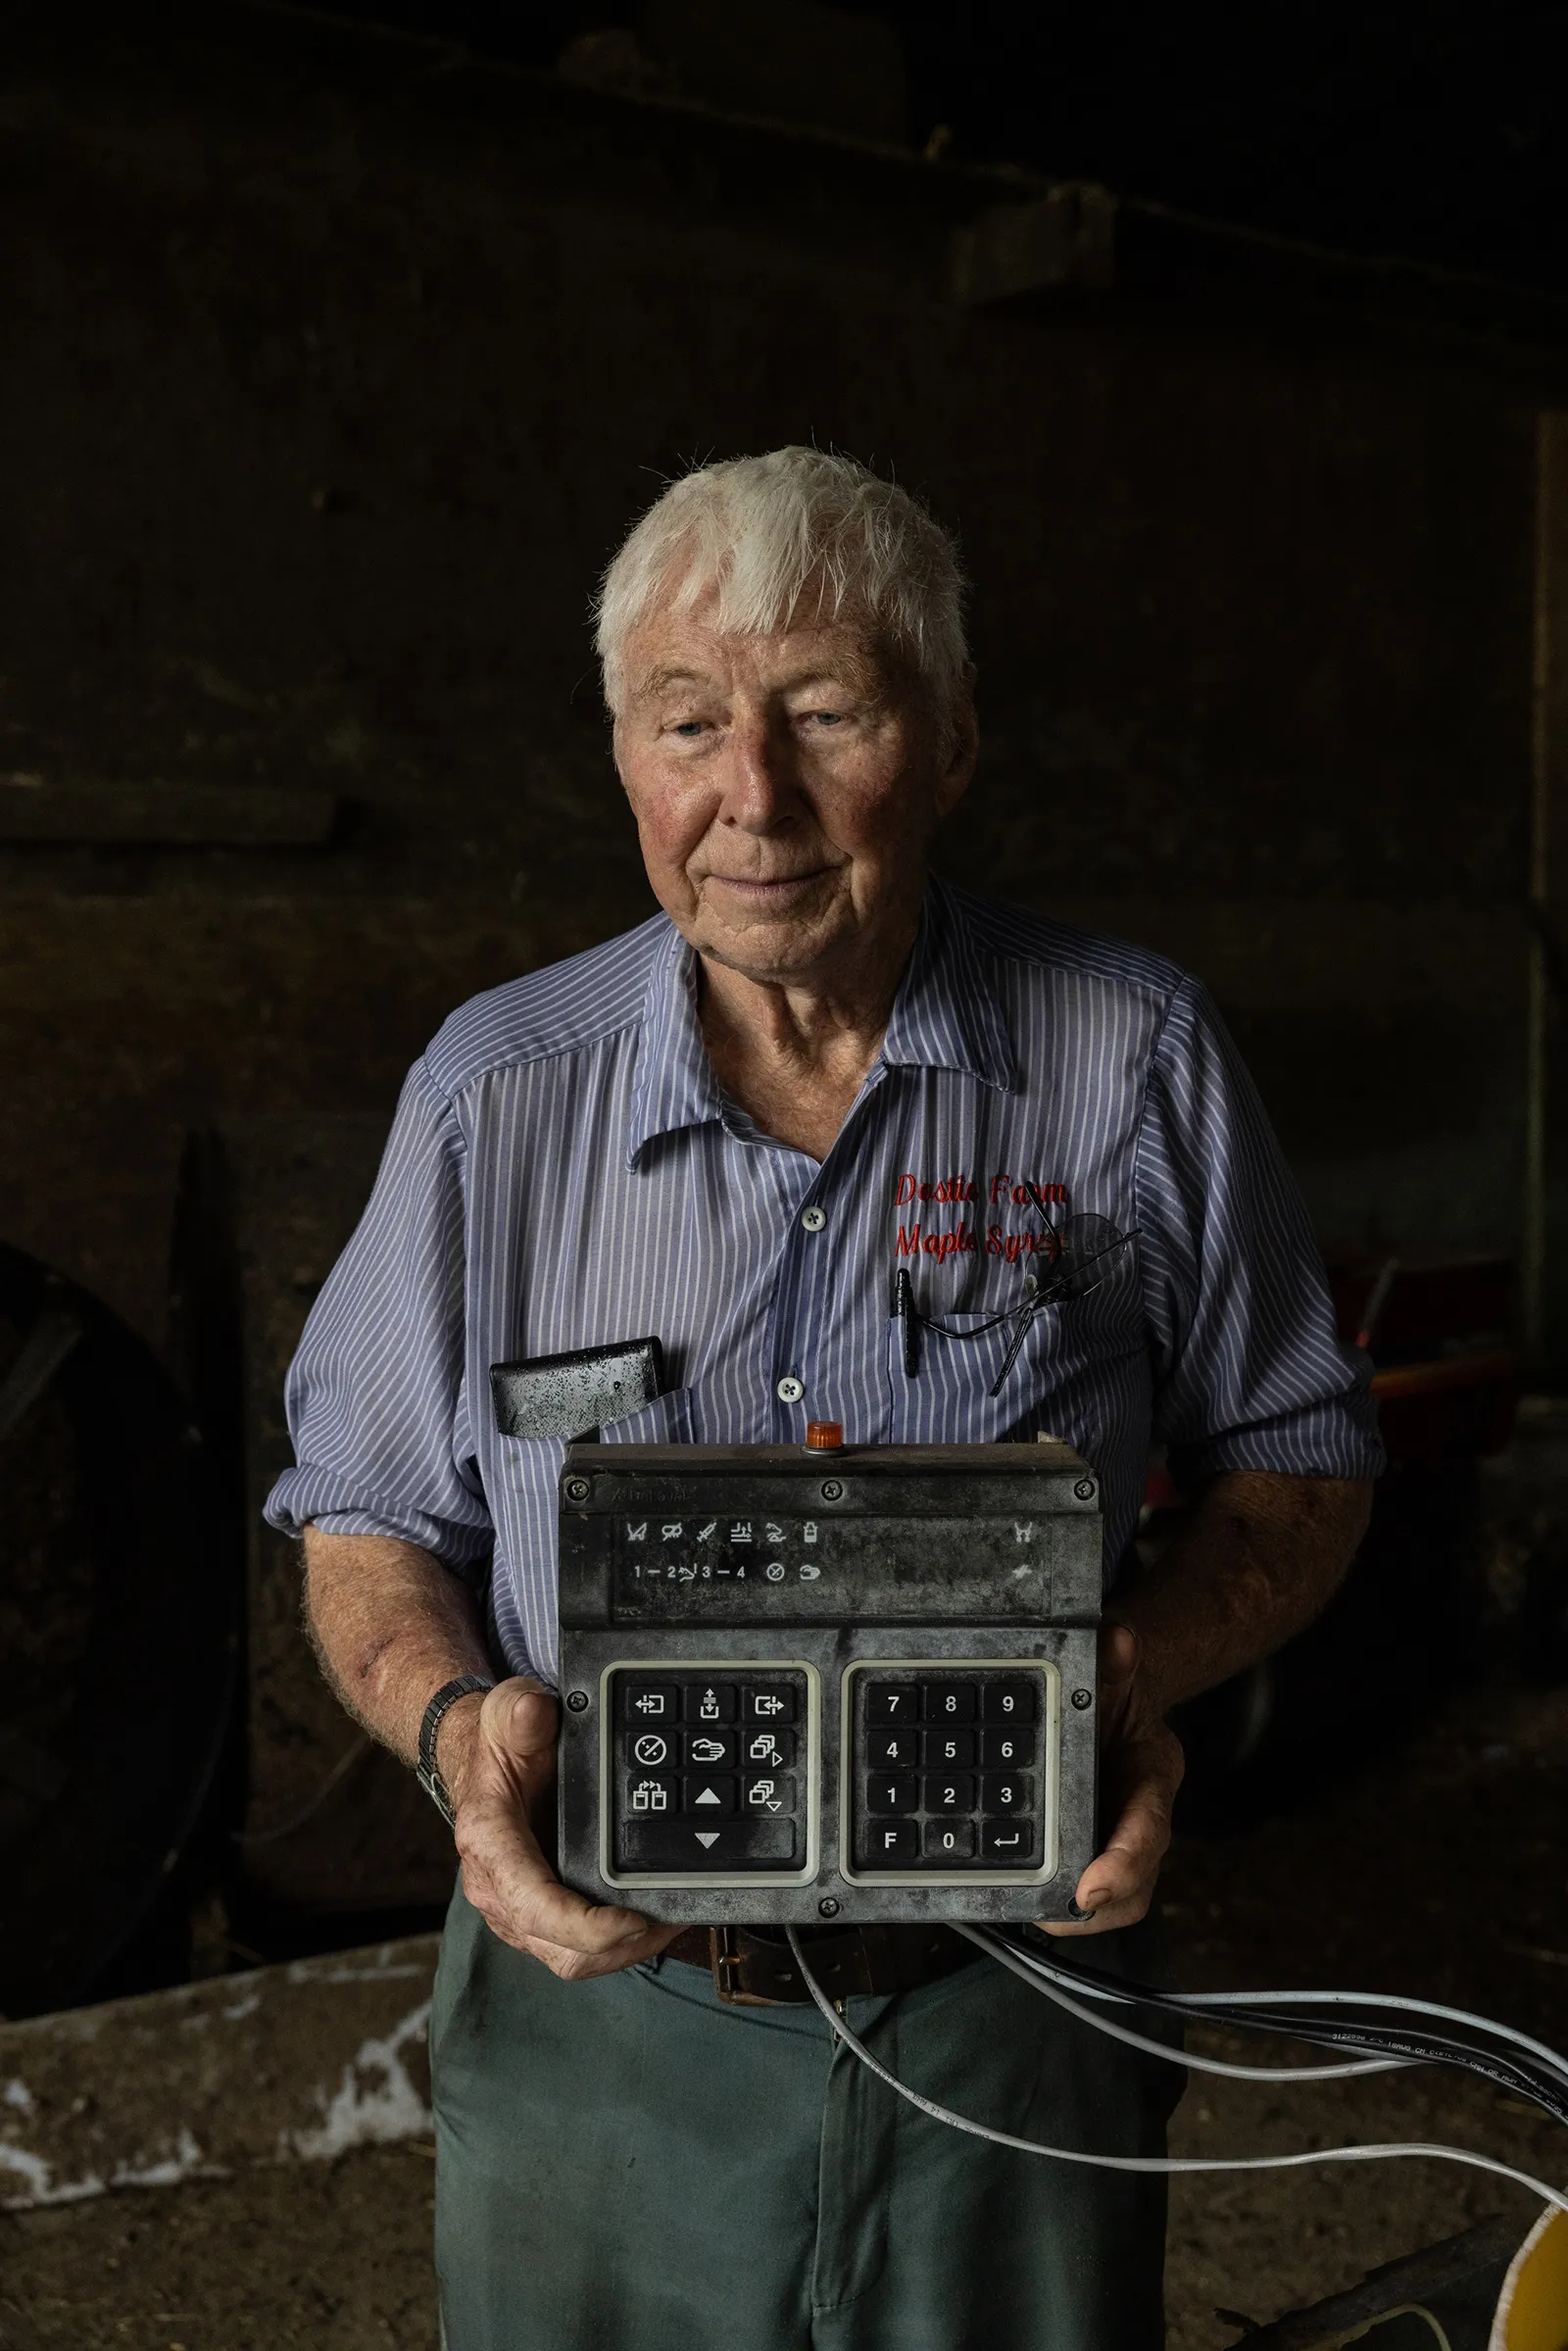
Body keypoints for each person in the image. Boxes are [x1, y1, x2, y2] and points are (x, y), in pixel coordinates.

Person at [267, 446, 1380, 2350]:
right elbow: (368, 1511)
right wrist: (463, 1735)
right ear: (622, 753)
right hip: (600, 2027)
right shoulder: (491, 1095)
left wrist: (1128, 1674)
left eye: (825, 714)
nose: (749, 798)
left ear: (947, 740)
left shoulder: (1131, 1054)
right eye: (685, 720)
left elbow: (1295, 1460)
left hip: (1012, 2005)